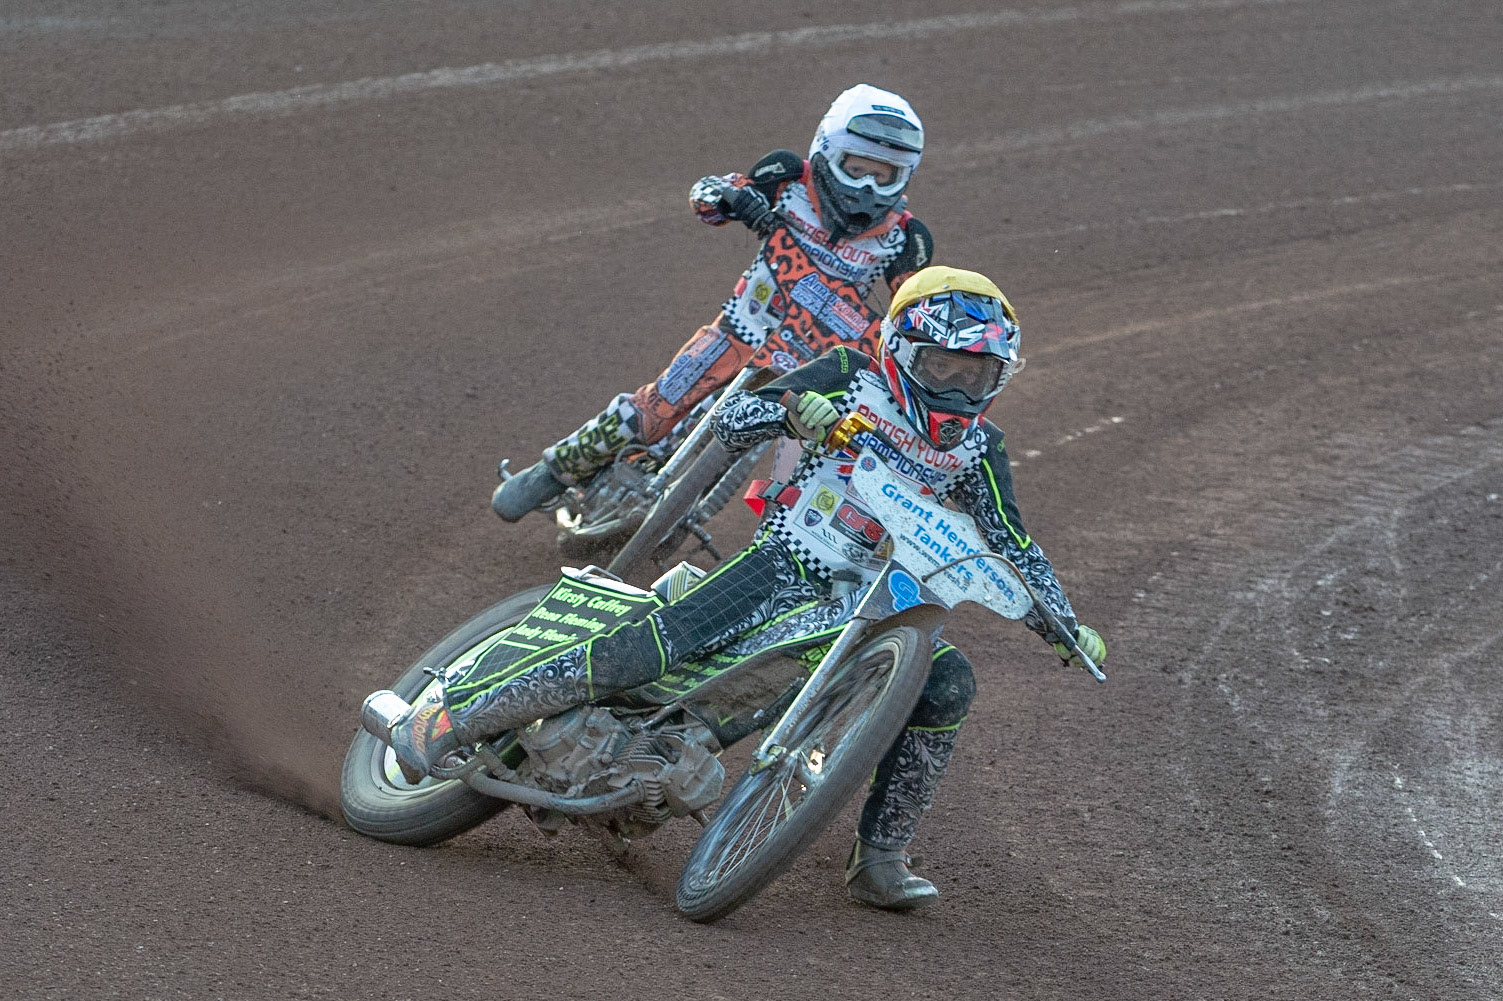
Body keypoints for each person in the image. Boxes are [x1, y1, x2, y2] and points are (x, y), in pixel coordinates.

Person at [388, 266, 1107, 911]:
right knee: (653, 650)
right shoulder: (849, 373)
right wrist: (791, 411)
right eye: (942, 364)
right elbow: (731, 419)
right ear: (900, 349)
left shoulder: (979, 447)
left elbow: (1011, 542)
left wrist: (1063, 622)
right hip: (787, 559)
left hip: (872, 600)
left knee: (948, 682)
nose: (956, 387)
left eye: (977, 374)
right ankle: (453, 718)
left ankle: (880, 857)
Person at [491, 83, 936, 520]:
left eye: (883, 176)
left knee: (786, 446)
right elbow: (707, 195)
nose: (867, 187)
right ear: (828, 151)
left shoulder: (905, 237)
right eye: (856, 169)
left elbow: (912, 305)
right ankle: (551, 472)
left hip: (809, 365)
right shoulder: (786, 177)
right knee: (657, 406)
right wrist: (735, 199)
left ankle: (703, 517)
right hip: (741, 329)